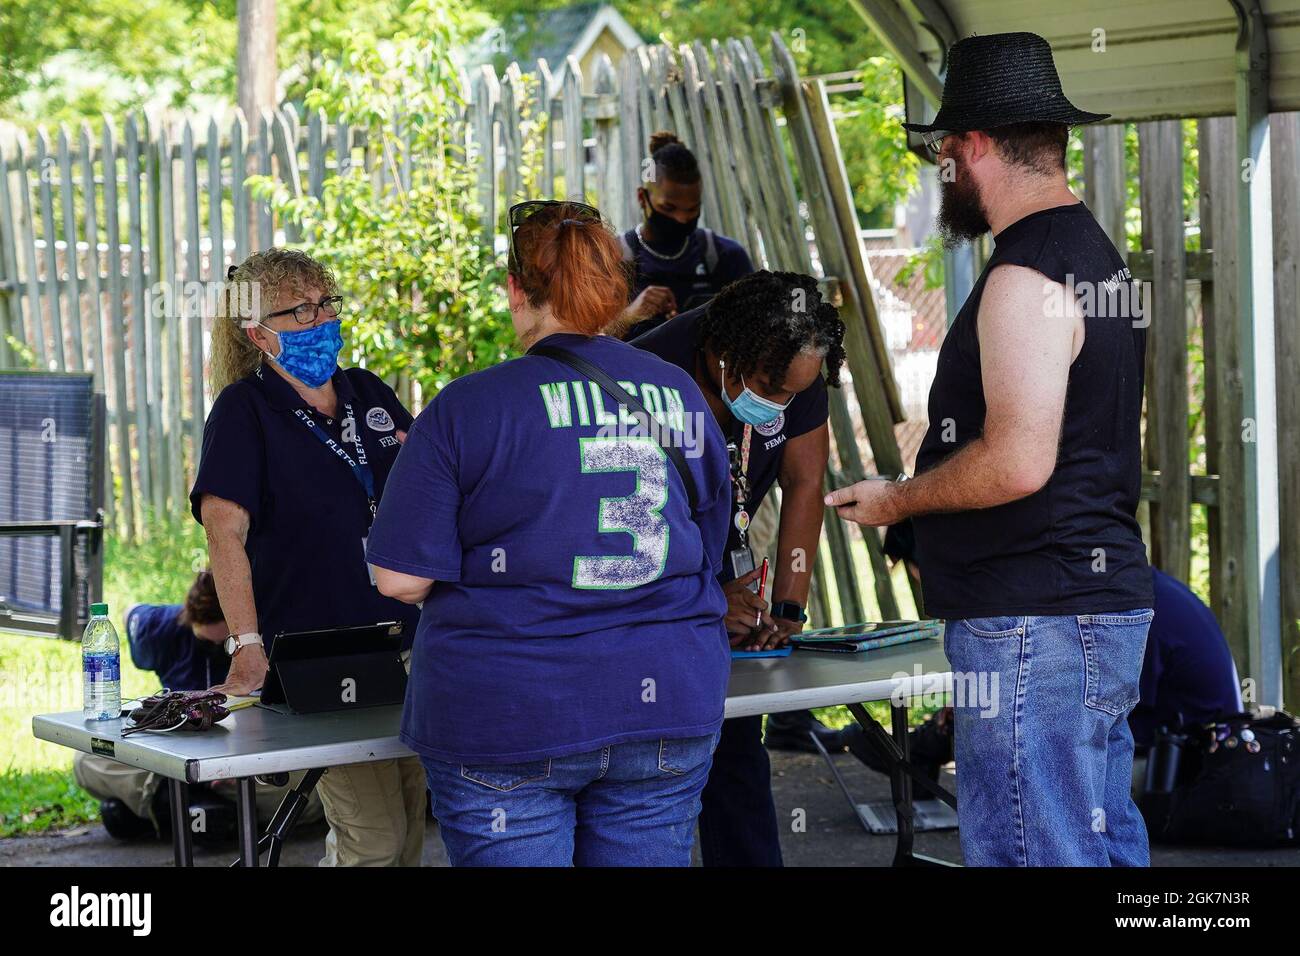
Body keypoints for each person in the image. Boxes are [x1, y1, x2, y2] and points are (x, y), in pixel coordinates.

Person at [827, 32, 1154, 866]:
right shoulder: (1095, 259)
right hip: (1088, 607)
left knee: (1030, 851)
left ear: (973, 146)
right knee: (1101, 848)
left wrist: (898, 499)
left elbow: (1017, 460)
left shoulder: (1025, 280)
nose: (940, 170)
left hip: (1034, 623)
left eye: (944, 150)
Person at [364, 200, 734, 867]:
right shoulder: (679, 394)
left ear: (514, 290)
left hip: (508, 716)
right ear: (612, 289)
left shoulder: (468, 408)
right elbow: (707, 545)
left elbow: (399, 577)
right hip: (663, 705)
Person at [190, 248, 425, 867]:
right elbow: (224, 536)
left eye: (326, 303)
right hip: (319, 659)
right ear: (257, 331)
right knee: (371, 840)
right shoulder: (245, 411)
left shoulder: (367, 391)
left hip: (404, 645)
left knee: (404, 833)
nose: (321, 318)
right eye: (301, 309)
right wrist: (246, 646)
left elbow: (425, 488)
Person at [631, 270, 845, 866]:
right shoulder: (650, 371)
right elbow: (623, 525)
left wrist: (787, 608)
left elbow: (805, 486)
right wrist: (700, 598)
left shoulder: (797, 365)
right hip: (645, 560)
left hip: (725, 555)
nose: (778, 405)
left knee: (734, 742)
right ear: (724, 356)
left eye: (792, 396)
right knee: (648, 766)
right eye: (769, 387)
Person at [73, 570, 324, 841]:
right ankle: (207, 812)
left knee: (317, 792)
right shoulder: (162, 628)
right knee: (88, 760)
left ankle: (173, 811)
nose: (216, 650)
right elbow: (130, 614)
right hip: (178, 761)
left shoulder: (273, 637)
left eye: (227, 644)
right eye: (206, 642)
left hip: (248, 765)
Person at [606, 131, 754, 341]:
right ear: (643, 198)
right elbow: (583, 342)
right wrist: (629, 316)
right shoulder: (612, 258)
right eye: (669, 208)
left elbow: (758, 331)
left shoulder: (725, 256)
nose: (682, 219)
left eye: (692, 210)